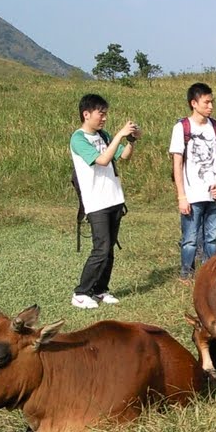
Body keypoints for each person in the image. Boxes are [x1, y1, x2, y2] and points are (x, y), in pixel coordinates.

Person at [69, 93, 138, 309]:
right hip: (96, 202)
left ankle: (100, 290)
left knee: (108, 250)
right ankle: (81, 293)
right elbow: (102, 159)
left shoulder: (104, 135)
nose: (104, 118)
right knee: (101, 247)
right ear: (86, 114)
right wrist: (119, 135)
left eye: (105, 114)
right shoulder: (78, 138)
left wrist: (131, 140)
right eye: (101, 113)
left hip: (114, 199)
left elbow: (123, 156)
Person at [170, 82, 216, 284]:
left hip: (213, 193)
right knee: (190, 238)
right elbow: (177, 163)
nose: (211, 106)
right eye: (207, 102)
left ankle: (210, 274)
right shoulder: (181, 128)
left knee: (212, 237)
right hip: (191, 194)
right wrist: (181, 195)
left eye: (212, 102)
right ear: (194, 103)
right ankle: (186, 275)